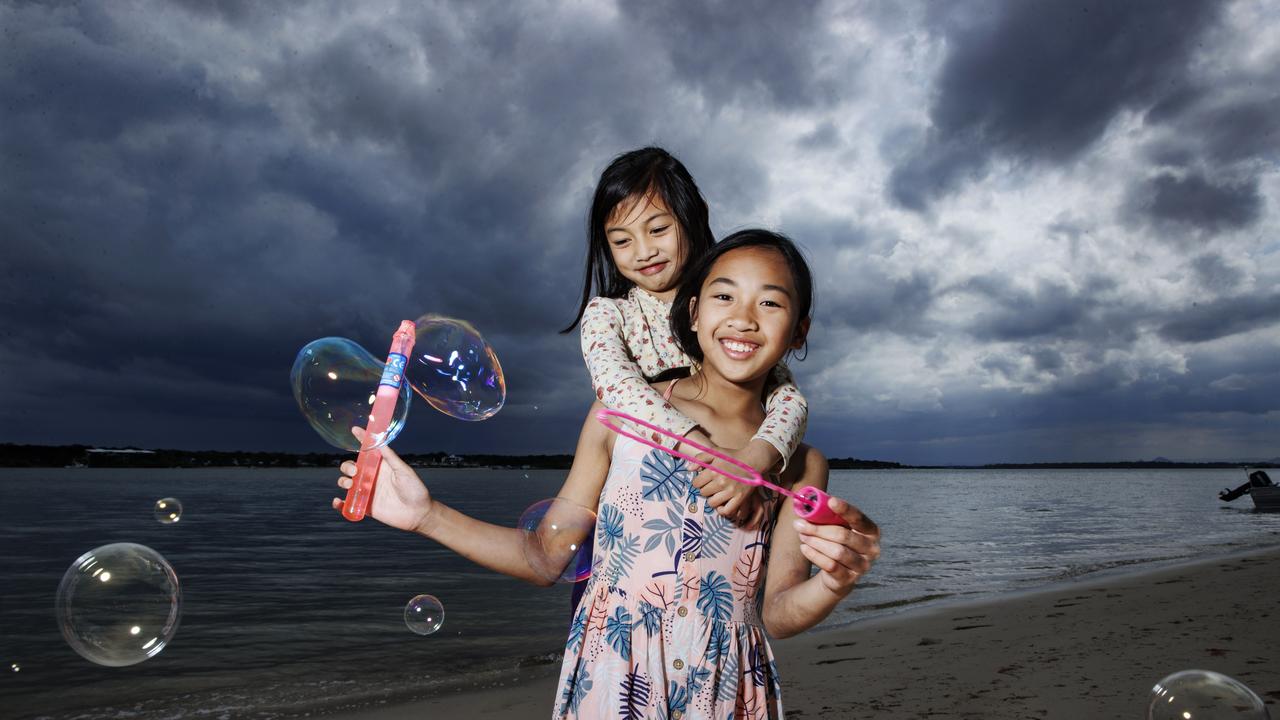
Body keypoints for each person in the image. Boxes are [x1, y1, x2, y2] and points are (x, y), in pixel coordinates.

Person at [333, 229, 881, 719]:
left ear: (799, 331)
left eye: (770, 302)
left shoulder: (801, 463)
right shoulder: (617, 418)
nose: (742, 317)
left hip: (724, 685)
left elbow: (780, 613)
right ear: (692, 312)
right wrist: (426, 516)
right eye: (723, 295)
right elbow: (544, 556)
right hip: (615, 677)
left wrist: (835, 582)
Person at [562, 147, 810, 527]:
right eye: (621, 240)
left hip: (727, 491)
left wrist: (754, 461)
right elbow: (616, 386)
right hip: (639, 489)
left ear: (694, 216)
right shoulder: (609, 313)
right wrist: (696, 444)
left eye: (658, 229)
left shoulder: (722, 308)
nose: (644, 251)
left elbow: (788, 400)